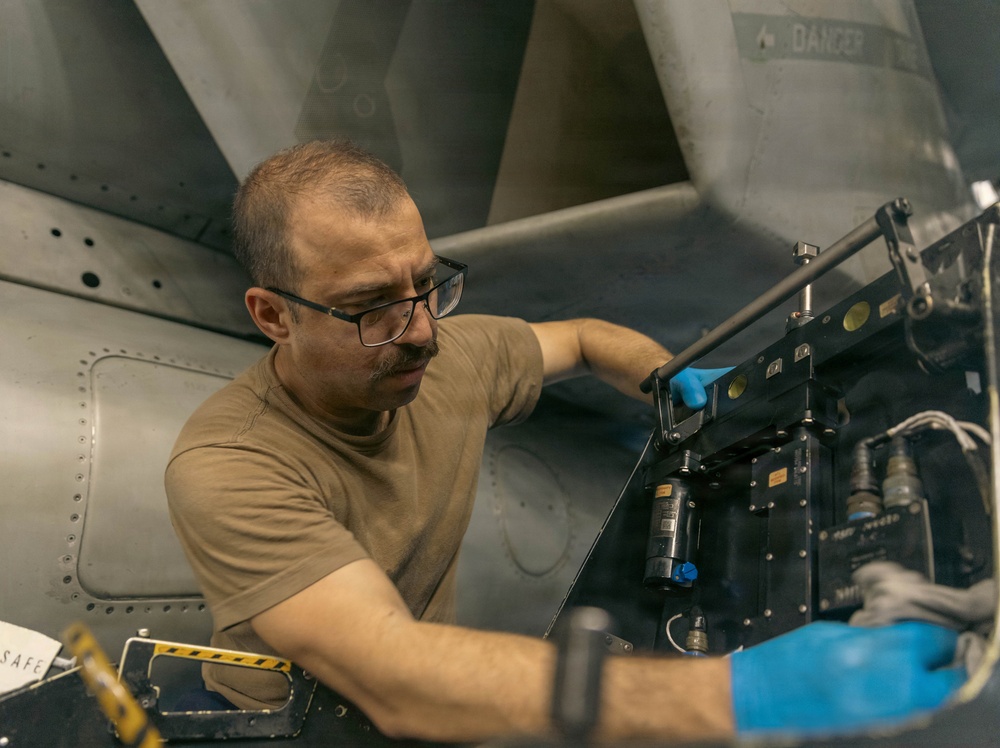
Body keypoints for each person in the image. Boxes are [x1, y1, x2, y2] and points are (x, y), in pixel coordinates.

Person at [166, 140, 964, 743]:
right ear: (274, 315)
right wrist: (730, 697)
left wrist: (664, 379)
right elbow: (392, 672)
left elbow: (581, 338)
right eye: (372, 306)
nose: (422, 333)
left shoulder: (447, 355)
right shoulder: (230, 465)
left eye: (427, 284)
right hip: (297, 728)